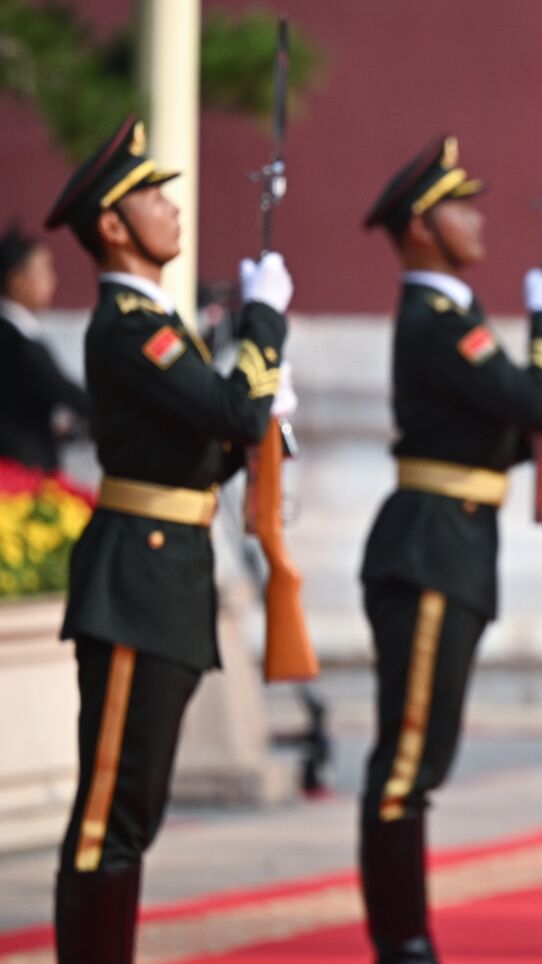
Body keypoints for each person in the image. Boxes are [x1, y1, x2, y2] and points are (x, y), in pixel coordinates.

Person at [43, 116, 293, 964]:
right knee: (110, 813)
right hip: (136, 582)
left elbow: (204, 447)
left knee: (136, 812)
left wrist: (261, 422)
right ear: (113, 226)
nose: (172, 206)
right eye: (152, 195)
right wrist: (265, 324)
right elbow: (231, 412)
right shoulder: (128, 324)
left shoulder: (155, 320)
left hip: (171, 575)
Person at [357, 135, 542, 961]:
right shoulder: (436, 319)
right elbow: (532, 400)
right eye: (459, 206)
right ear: (420, 225)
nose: (478, 220)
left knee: (423, 754)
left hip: (456, 543)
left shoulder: (453, 318)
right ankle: (402, 939)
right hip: (431, 550)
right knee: (407, 757)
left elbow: (493, 431)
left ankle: (405, 933)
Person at [0, 224, 88, 471]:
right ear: (17, 281)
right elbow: (64, 390)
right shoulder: (16, 342)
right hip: (23, 470)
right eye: (44, 271)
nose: (53, 280)